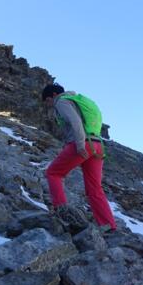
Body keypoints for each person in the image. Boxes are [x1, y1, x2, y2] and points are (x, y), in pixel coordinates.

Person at [42, 83, 117, 232]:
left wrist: (80, 144)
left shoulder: (61, 101)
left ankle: (61, 212)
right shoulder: (76, 99)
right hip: (98, 145)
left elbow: (75, 122)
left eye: (47, 101)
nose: (48, 105)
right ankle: (108, 225)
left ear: (53, 95)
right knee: (95, 188)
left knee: (53, 173)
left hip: (82, 144)